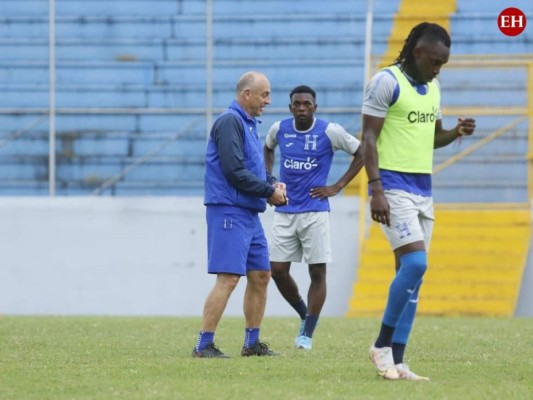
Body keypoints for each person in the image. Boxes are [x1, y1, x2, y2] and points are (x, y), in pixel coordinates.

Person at [362, 22, 476, 380]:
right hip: (392, 185)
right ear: (417, 53)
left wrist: (455, 132)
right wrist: (376, 188)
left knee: (411, 278)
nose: (439, 69)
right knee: (415, 265)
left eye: (443, 63)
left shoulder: (433, 88)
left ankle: (398, 360)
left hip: (423, 188)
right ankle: (381, 344)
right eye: (435, 61)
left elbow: (432, 138)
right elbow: (367, 138)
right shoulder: (386, 82)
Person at [193, 71, 288, 358]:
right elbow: (234, 171)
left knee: (260, 275)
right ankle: (203, 345)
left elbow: (253, 169)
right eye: (264, 94)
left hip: (248, 212)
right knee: (229, 277)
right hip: (229, 210)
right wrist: (267, 191)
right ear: (247, 94)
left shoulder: (247, 124)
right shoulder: (229, 121)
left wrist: (271, 183)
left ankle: (251, 343)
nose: (268, 101)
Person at [264, 85, 364, 351]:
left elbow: (362, 152)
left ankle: (306, 334)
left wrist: (337, 186)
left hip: (315, 212)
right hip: (285, 210)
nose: (301, 108)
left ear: (314, 107)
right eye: (297, 104)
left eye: (307, 104)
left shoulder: (329, 131)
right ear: (290, 107)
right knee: (277, 271)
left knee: (317, 271)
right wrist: (269, 179)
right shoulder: (279, 129)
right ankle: (305, 314)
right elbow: (267, 148)